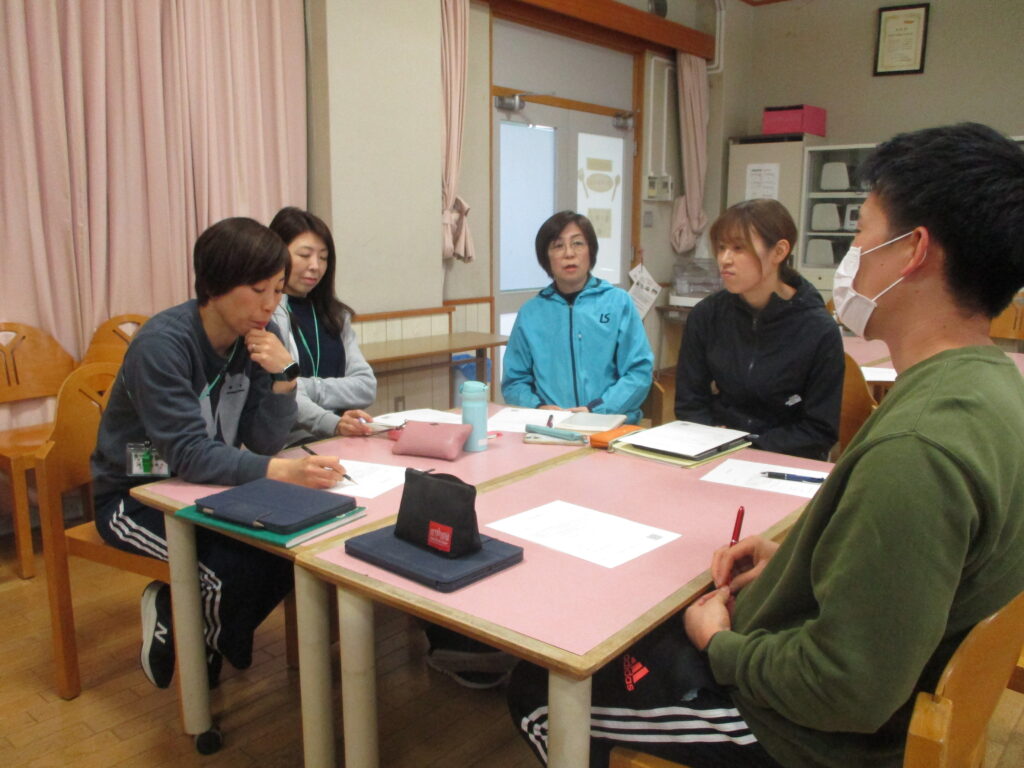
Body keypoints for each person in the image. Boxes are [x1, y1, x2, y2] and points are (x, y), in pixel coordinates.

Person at [508, 123, 1024, 767]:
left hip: (810, 734)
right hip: (863, 675)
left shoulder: (916, 450)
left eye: (862, 234)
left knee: (538, 690)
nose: (852, 257)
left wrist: (720, 646)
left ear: (914, 251)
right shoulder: (991, 388)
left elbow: (845, 689)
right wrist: (803, 557)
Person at [91, 217, 346, 690]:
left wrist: (285, 378)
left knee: (287, 547)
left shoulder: (254, 339)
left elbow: (264, 440)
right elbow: (189, 454)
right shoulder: (163, 346)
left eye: (277, 290)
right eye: (258, 290)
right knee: (224, 571)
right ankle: (185, 623)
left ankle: (212, 633)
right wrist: (284, 471)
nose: (270, 305)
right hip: (135, 496)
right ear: (214, 286)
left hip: (206, 488)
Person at [675, 199, 843, 460]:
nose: (724, 260)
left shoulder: (818, 329)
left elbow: (820, 429)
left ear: (779, 252)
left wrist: (749, 446)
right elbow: (689, 403)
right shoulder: (707, 315)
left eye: (739, 248)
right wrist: (710, 436)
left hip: (785, 458)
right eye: (721, 248)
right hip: (716, 452)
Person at [502, 211, 653, 424]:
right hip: (551, 426)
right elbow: (514, 381)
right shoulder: (531, 313)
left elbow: (638, 372)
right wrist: (538, 408)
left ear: (591, 251)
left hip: (610, 423)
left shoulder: (618, 303)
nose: (569, 254)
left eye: (577, 243)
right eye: (558, 246)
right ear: (546, 258)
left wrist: (597, 409)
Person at [269, 206, 377, 444]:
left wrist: (306, 386)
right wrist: (332, 419)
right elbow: (282, 392)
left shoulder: (336, 315)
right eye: (305, 255)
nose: (315, 266)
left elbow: (366, 387)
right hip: (289, 443)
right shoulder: (267, 315)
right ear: (277, 254)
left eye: (323, 258)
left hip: (340, 434)